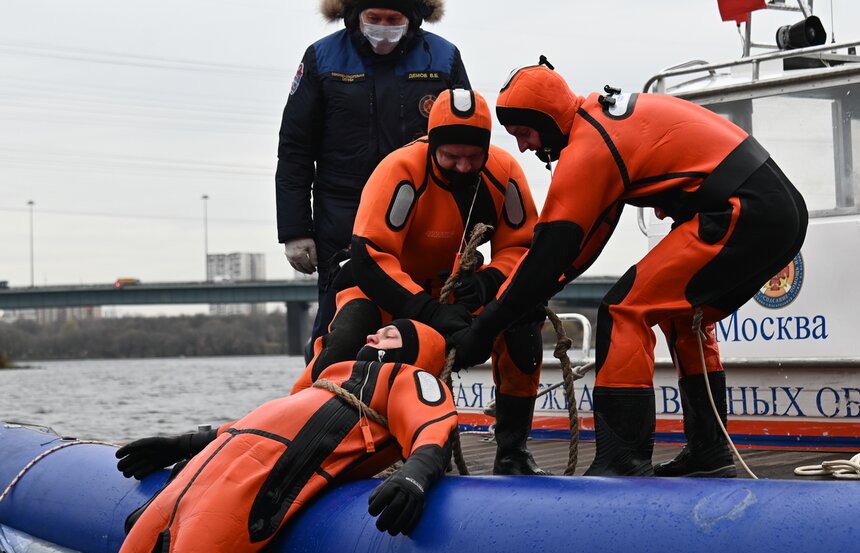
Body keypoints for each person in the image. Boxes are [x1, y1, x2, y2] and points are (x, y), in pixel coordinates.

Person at [451, 60, 808, 477]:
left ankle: (622, 462)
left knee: (623, 311)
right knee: (681, 317)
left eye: (525, 134)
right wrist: (534, 294)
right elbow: (583, 246)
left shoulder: (589, 144)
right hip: (774, 210)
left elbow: (551, 251)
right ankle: (709, 455)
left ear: (547, 119)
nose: (525, 148)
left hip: (745, 210)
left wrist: (484, 327)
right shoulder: (604, 123)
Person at [291, 87, 549, 475]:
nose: (463, 167)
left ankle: (512, 451)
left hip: (457, 289)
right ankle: (296, 436)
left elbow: (522, 246)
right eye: (451, 157)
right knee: (345, 341)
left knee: (523, 320)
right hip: (382, 287)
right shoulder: (401, 170)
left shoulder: (504, 171)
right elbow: (370, 256)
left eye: (472, 157)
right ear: (432, 145)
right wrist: (427, 311)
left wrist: (488, 281)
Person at [116, 319, 458, 553]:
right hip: (197, 477)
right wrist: (179, 445)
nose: (373, 336)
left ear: (413, 353)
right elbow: (250, 425)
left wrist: (415, 476)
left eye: (389, 336)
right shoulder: (328, 382)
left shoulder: (404, 378)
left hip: (246, 489)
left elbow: (432, 425)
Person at [276, 0, 470, 356]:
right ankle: (329, 393)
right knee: (340, 320)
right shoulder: (322, 58)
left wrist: (472, 222)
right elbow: (294, 150)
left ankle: (419, 397)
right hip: (343, 217)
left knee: (421, 317)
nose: (383, 27)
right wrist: (295, 230)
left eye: (392, 19)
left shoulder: (443, 58)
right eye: (374, 18)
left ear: (411, 19)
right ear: (355, 16)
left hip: (422, 216)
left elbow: (467, 143)